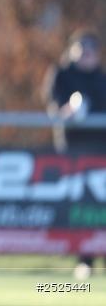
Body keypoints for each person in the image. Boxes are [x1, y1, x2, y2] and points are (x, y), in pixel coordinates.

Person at [42, 29, 106, 280]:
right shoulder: (62, 75)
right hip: (73, 154)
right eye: (82, 52)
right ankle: (85, 260)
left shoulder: (101, 79)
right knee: (80, 209)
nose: (87, 57)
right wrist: (67, 110)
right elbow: (54, 106)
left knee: (100, 207)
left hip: (101, 153)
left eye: (91, 52)